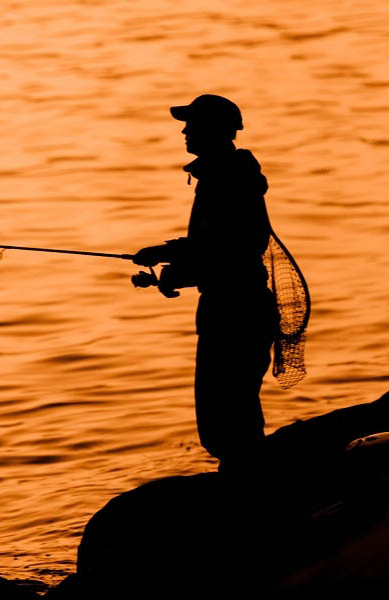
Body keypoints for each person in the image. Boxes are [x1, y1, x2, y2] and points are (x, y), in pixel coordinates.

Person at [132, 94, 278, 470]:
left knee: (228, 418)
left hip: (234, 311)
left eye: (191, 124)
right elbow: (217, 245)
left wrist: (175, 266)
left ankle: (251, 493)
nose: (184, 131)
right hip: (234, 306)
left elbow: (228, 248)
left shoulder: (225, 179)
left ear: (211, 131)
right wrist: (168, 256)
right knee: (229, 416)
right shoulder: (224, 175)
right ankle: (248, 484)